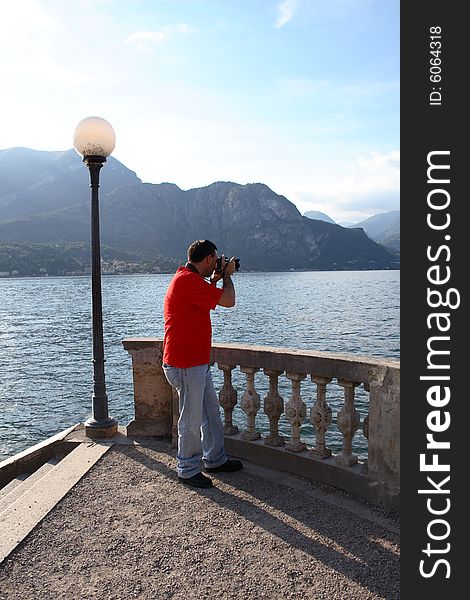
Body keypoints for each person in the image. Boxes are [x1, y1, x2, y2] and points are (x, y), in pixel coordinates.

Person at [162, 239, 243, 488]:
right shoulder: (187, 281)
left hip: (195, 362)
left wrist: (215, 279)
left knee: (210, 413)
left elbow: (202, 300)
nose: (217, 263)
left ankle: (215, 459)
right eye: (216, 259)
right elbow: (229, 301)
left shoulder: (187, 278)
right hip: (186, 364)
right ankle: (187, 469)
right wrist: (227, 276)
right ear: (208, 258)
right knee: (191, 419)